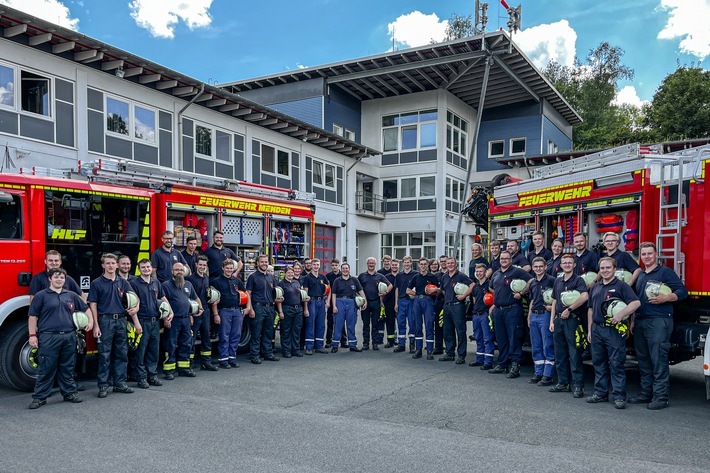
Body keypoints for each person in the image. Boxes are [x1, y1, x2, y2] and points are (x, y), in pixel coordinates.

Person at [630, 242, 688, 410]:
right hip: (640, 320)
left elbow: (682, 292)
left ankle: (661, 397)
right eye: (644, 254)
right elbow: (637, 300)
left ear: (656, 255)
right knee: (643, 359)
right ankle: (646, 393)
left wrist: (666, 298)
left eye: (649, 253)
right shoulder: (641, 275)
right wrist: (633, 320)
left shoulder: (665, 273)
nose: (647, 256)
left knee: (658, 359)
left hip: (659, 320)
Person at [28, 268, 92, 409]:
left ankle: (69, 393)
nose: (59, 280)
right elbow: (32, 316)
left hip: (69, 336)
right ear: (50, 279)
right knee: (46, 368)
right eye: (56, 277)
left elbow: (86, 308)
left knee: (68, 367)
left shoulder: (71, 295)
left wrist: (91, 321)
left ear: (65, 280)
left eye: (62, 278)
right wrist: (32, 335)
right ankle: (40, 397)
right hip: (49, 336)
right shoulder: (41, 296)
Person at [586, 257, 640, 409]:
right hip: (597, 329)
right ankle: (600, 393)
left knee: (616, 363)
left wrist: (621, 314)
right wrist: (590, 329)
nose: (605, 271)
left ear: (614, 269)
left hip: (613, 330)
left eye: (608, 268)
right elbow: (590, 309)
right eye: (602, 268)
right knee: (598, 362)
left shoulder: (622, 286)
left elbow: (636, 303)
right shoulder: (596, 287)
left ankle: (619, 396)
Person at [89, 253, 138, 398]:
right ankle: (103, 386)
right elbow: (93, 305)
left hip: (121, 320)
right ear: (103, 265)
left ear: (117, 265)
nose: (111, 266)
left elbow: (135, 298)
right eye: (108, 263)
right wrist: (96, 325)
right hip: (105, 321)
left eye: (113, 263)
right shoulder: (96, 283)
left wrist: (136, 308)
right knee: (104, 354)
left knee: (122, 354)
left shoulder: (122, 282)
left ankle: (120, 384)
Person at [548, 253, 589, 398]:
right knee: (560, 354)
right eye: (564, 262)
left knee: (574, 354)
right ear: (561, 264)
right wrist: (551, 321)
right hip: (558, 321)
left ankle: (578, 386)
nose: (567, 265)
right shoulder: (558, 281)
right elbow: (554, 301)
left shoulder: (578, 280)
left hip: (572, 320)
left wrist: (569, 309)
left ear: (574, 265)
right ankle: (563, 383)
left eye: (569, 263)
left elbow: (585, 296)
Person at [488, 251, 533, 378]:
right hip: (498, 310)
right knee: (501, 338)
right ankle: (502, 364)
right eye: (502, 258)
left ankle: (515, 365)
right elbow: (491, 287)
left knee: (514, 338)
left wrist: (522, 293)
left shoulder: (516, 271)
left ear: (511, 260)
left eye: (506, 258)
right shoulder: (496, 273)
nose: (504, 260)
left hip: (512, 309)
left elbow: (531, 280)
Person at [129, 259, 172, 388]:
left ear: (151, 268)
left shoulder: (156, 282)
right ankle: (141, 378)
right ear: (139, 269)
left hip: (155, 322)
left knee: (153, 351)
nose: (146, 269)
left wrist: (170, 312)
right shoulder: (134, 284)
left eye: (148, 267)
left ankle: (152, 376)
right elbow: (133, 305)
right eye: (143, 267)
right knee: (140, 352)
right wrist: (136, 324)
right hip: (142, 321)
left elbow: (163, 298)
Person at [161, 262, 202, 379]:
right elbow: (163, 303)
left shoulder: (188, 284)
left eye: (181, 270)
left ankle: (184, 369)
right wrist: (165, 318)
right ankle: (169, 370)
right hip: (172, 320)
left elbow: (194, 298)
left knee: (186, 344)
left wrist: (198, 310)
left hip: (186, 320)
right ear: (172, 271)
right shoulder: (166, 285)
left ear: (184, 272)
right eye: (177, 270)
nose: (179, 272)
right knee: (170, 345)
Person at [211, 258, 248, 367]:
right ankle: (223, 360)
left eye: (231, 268)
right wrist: (215, 314)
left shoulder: (237, 281)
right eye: (227, 268)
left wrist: (248, 307)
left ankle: (232, 359)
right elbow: (213, 300)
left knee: (236, 335)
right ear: (223, 268)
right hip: (224, 311)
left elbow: (246, 293)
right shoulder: (216, 282)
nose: (229, 270)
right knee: (224, 336)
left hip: (237, 310)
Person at [245, 254, 280, 364]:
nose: (264, 264)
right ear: (257, 263)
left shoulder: (270, 277)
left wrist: (278, 298)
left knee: (268, 332)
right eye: (262, 262)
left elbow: (275, 291)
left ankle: (268, 353)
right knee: (256, 332)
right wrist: (250, 308)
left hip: (270, 307)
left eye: (266, 262)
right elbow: (248, 294)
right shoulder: (253, 277)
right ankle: (254, 355)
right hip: (258, 307)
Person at [527, 257, 556, 386]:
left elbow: (557, 299)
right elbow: (532, 300)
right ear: (533, 268)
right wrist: (529, 316)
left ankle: (548, 375)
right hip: (534, 315)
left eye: (540, 266)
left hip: (545, 316)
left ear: (545, 267)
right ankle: (538, 372)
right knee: (536, 346)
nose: (538, 269)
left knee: (547, 345)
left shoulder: (552, 281)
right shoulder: (532, 282)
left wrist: (552, 316)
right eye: (536, 267)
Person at [439, 257, 473, 364]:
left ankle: (461, 355)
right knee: (448, 331)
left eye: (452, 263)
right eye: (448, 263)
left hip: (458, 306)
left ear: (456, 264)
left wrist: (464, 295)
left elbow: (472, 285)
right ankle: (450, 353)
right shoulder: (445, 276)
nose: (449, 265)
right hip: (447, 306)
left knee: (460, 331)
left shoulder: (461, 275)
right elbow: (443, 290)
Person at [187, 255, 218, 371]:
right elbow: (188, 298)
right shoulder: (190, 279)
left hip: (205, 310)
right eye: (200, 265)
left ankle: (206, 362)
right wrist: (190, 314)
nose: (202, 267)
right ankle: (189, 363)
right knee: (192, 338)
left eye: (204, 265)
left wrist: (215, 297)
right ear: (196, 265)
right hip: (195, 311)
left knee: (206, 337)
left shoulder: (206, 278)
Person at [407, 257, 440, 360]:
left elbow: (439, 289)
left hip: (428, 301)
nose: (423, 266)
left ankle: (430, 351)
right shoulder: (415, 277)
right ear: (418, 265)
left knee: (429, 325)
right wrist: (417, 293)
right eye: (421, 264)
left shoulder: (432, 277)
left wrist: (434, 290)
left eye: (425, 264)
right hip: (417, 300)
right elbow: (408, 290)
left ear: (427, 265)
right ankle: (418, 350)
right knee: (418, 325)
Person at [330, 262, 366, 352]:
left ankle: (352, 345)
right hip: (339, 302)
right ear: (341, 270)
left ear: (349, 269)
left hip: (351, 302)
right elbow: (333, 294)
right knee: (338, 325)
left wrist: (365, 301)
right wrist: (334, 306)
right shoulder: (337, 281)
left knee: (351, 324)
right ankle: (335, 345)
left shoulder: (354, 280)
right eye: (343, 268)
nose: (345, 270)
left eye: (347, 268)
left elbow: (361, 291)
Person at [358, 257, 391, 351]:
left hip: (376, 302)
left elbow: (390, 285)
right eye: (369, 263)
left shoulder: (380, 276)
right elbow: (357, 288)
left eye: (373, 263)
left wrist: (385, 292)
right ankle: (365, 343)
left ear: (375, 264)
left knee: (375, 324)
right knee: (366, 324)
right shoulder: (362, 276)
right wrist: (359, 299)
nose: (371, 265)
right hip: (365, 303)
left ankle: (375, 343)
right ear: (367, 264)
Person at [276, 265, 308, 358]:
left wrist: (306, 297)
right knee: (286, 331)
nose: (290, 274)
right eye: (288, 272)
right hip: (287, 308)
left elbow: (302, 295)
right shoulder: (280, 284)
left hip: (298, 309)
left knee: (296, 330)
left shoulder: (296, 283)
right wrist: (281, 312)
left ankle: (296, 350)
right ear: (285, 273)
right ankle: (286, 351)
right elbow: (279, 300)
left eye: (292, 272)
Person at [302, 258, 330, 355]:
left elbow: (328, 288)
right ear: (311, 266)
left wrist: (327, 300)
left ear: (319, 265)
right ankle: (309, 346)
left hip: (321, 302)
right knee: (310, 324)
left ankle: (319, 346)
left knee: (321, 324)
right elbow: (305, 294)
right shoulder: (307, 278)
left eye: (318, 265)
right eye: (314, 265)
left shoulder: (323, 277)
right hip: (311, 302)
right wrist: (305, 308)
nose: (316, 266)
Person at [469, 263, 494, 370]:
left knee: (487, 338)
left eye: (481, 271)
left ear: (485, 272)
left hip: (485, 315)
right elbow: (474, 301)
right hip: (476, 315)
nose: (479, 273)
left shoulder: (489, 285)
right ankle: (479, 359)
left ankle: (488, 361)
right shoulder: (475, 286)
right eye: (477, 271)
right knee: (478, 338)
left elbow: (496, 295)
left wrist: (492, 307)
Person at [393, 256, 416, 353]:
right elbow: (397, 289)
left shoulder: (416, 274)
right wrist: (396, 303)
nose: (406, 264)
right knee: (401, 323)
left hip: (411, 301)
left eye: (408, 262)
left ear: (411, 263)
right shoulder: (399, 275)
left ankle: (412, 344)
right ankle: (401, 344)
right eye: (405, 262)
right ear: (403, 263)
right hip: (401, 301)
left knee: (412, 323)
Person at [325, 258, 344, 348]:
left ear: (339, 265)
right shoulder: (328, 276)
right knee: (330, 321)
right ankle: (329, 341)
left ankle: (343, 341)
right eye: (332, 265)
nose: (334, 267)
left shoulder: (343, 275)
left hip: (340, 300)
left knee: (341, 322)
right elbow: (326, 288)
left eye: (336, 265)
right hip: (331, 301)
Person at [382, 258, 400, 348]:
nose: (394, 266)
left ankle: (401, 341)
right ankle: (390, 341)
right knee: (389, 322)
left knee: (401, 322)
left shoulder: (401, 276)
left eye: (396, 265)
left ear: (398, 265)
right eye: (393, 265)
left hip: (400, 302)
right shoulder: (386, 277)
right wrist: (381, 302)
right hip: (388, 302)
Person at [432, 257, 446, 354]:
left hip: (449, 302)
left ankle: (450, 348)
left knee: (449, 327)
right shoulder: (436, 275)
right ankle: (438, 347)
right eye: (441, 261)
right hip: (438, 302)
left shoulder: (452, 275)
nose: (443, 263)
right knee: (438, 326)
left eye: (445, 261)